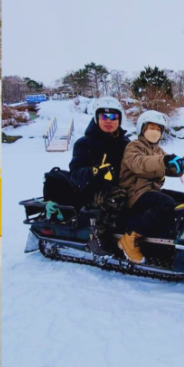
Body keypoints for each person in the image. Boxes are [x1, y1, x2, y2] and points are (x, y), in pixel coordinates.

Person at [117, 110, 184, 264]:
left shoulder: (157, 150)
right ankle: (130, 238)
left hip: (149, 192)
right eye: (151, 127)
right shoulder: (133, 147)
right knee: (164, 202)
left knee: (183, 199)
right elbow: (139, 164)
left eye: (158, 129)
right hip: (132, 194)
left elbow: (172, 168)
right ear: (143, 128)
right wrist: (164, 160)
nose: (155, 132)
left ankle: (166, 235)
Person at [68, 97, 130, 255]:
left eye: (113, 117)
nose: (108, 120)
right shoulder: (84, 143)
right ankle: (98, 236)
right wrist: (95, 172)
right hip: (90, 191)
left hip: (120, 185)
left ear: (119, 119)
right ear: (96, 118)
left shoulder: (125, 143)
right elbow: (75, 173)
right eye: (104, 116)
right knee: (119, 196)